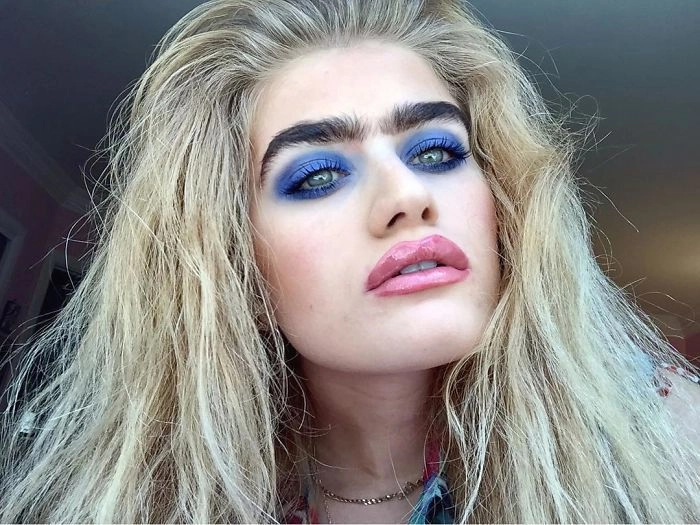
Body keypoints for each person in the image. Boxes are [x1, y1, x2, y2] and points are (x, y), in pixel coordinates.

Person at [1, 0, 698, 522]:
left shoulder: (664, 440)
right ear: (235, 262)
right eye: (317, 176)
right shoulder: (139, 502)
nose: (408, 197)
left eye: (437, 151)